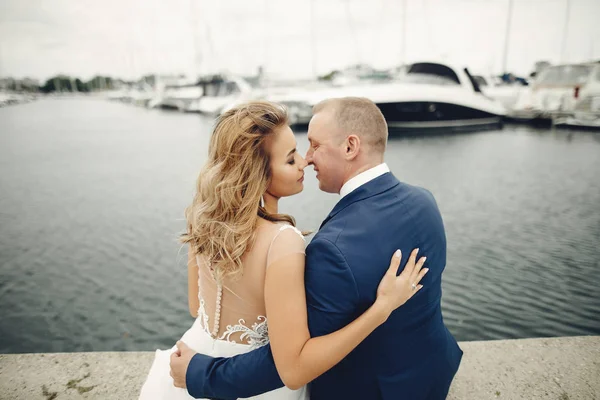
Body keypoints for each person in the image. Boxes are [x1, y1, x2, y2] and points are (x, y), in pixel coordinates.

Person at [170, 97, 463, 400]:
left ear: (350, 147)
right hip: (432, 373)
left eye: (313, 145)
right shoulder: (424, 201)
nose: (307, 159)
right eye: (295, 153)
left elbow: (292, 364)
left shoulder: (332, 248)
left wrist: (200, 374)